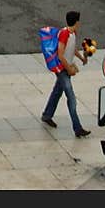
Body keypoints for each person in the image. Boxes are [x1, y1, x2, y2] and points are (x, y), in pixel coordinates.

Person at [40, 9, 90, 138]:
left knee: (57, 91)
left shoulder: (72, 34)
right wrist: (69, 69)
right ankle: (77, 128)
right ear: (76, 22)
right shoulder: (64, 34)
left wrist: (82, 58)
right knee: (71, 98)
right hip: (62, 69)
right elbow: (61, 54)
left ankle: (47, 115)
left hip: (65, 69)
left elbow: (72, 48)